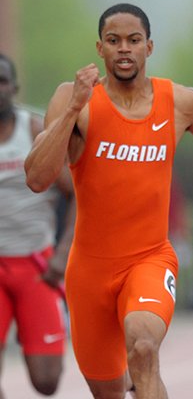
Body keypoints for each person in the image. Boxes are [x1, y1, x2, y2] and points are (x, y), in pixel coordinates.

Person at [24, 3, 193, 399]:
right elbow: (37, 177)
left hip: (149, 259)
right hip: (89, 272)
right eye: (114, 41)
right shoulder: (74, 100)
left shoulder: (181, 102)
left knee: (144, 347)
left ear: (149, 47)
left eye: (133, 41)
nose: (124, 49)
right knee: (109, 392)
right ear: (99, 48)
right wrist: (71, 110)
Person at [0, 53, 75, 397]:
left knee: (46, 382)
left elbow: (77, 194)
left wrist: (62, 253)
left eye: (1, 80)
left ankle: (28, 329)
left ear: (14, 87)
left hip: (36, 263)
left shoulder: (34, 130)